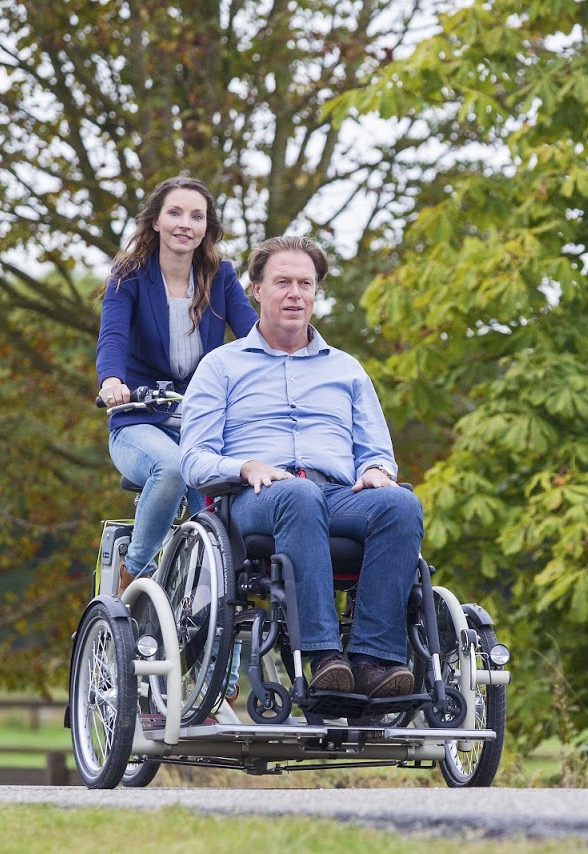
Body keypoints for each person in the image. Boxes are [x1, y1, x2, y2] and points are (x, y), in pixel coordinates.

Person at [179, 235, 422, 698]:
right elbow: (193, 459)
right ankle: (323, 656)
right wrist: (245, 466)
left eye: (305, 284)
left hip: (336, 493)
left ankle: (373, 661)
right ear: (257, 290)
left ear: (315, 293)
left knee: (399, 503)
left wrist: (375, 470)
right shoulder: (221, 366)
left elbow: (376, 449)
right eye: (283, 282)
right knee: (298, 493)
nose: (295, 294)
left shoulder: (347, 369)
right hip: (258, 497)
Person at [95, 175, 258, 597]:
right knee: (169, 466)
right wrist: (112, 381)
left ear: (206, 227)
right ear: (155, 222)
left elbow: (252, 336)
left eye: (196, 216)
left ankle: (216, 622)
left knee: (223, 519)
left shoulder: (219, 276)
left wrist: (282, 365)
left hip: (200, 424)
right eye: (175, 213)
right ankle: (136, 572)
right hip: (139, 420)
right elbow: (112, 336)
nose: (185, 223)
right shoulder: (128, 275)